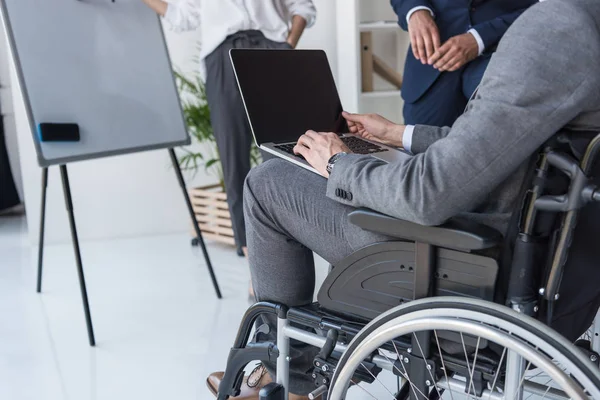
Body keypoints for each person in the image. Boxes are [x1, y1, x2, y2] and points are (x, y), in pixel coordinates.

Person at [206, 0, 600, 398]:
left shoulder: (555, 29)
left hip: (469, 263)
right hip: (536, 265)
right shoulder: (587, 20)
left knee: (267, 182)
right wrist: (400, 136)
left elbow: (425, 194)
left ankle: (288, 381)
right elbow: (510, 149)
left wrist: (338, 162)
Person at [141, 0, 317, 257]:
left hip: (272, 48)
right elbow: (182, 16)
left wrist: (288, 45)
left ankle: (290, 252)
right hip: (222, 57)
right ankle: (252, 259)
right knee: (233, 158)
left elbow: (302, 6)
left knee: (282, 157)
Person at [391, 0, 537, 127]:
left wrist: (481, 37)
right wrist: (415, 11)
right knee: (417, 153)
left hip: (504, 55)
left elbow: (549, 6)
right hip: (433, 58)